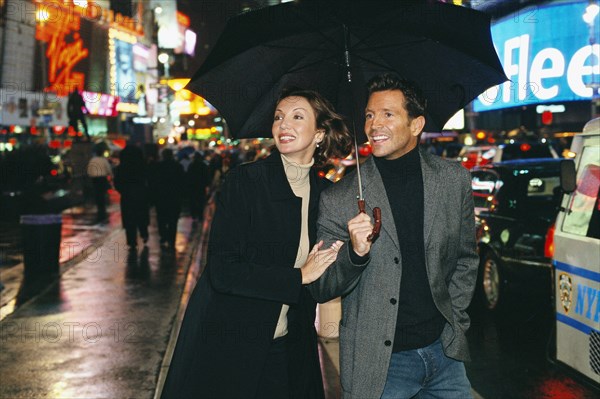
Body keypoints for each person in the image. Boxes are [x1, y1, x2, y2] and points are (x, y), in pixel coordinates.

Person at [161, 88, 352, 399]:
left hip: (291, 347)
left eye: (297, 116)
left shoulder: (329, 195)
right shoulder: (245, 183)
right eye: (278, 117)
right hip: (233, 345)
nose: (283, 124)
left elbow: (328, 281)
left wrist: (357, 247)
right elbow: (222, 270)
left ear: (320, 133)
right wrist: (298, 276)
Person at [309, 74, 479, 399]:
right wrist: (354, 254)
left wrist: (456, 321)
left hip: (443, 355)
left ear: (416, 125)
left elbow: (466, 259)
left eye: (388, 114)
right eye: (370, 115)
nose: (374, 125)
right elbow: (321, 286)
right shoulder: (342, 197)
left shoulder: (452, 181)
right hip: (381, 368)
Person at [114, 144, 150, 250]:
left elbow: (117, 183)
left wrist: (123, 191)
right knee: (142, 216)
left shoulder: (121, 168)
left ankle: (131, 241)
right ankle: (144, 233)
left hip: (127, 196)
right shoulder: (142, 165)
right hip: (141, 194)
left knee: (129, 219)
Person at [153, 148, 185, 250]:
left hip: (161, 197)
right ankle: (171, 239)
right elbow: (182, 182)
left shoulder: (158, 167)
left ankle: (163, 236)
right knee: (173, 220)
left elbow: (154, 182)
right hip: (175, 197)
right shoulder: (178, 166)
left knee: (161, 219)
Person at [87, 145, 113, 223]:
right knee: (102, 193)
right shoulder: (103, 160)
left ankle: (99, 207)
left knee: (97, 193)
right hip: (102, 178)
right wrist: (111, 176)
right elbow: (108, 169)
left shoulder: (92, 160)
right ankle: (103, 207)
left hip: (95, 179)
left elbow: (89, 170)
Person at [186, 151, 210, 222]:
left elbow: (188, 176)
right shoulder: (203, 165)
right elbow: (206, 176)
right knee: (200, 201)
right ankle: (200, 215)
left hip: (193, 186)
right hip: (201, 186)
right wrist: (207, 184)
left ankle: (194, 214)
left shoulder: (192, 165)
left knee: (193, 200)